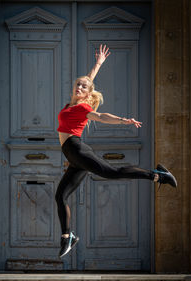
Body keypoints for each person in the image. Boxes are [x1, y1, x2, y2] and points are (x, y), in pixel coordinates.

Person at [55, 45, 177, 258]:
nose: (80, 87)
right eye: (78, 84)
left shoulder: (83, 109)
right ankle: (68, 237)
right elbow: (89, 79)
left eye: (83, 87)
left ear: (87, 93)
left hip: (77, 149)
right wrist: (98, 64)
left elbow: (102, 117)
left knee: (113, 172)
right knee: (60, 196)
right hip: (73, 157)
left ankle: (158, 175)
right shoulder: (70, 105)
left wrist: (123, 121)